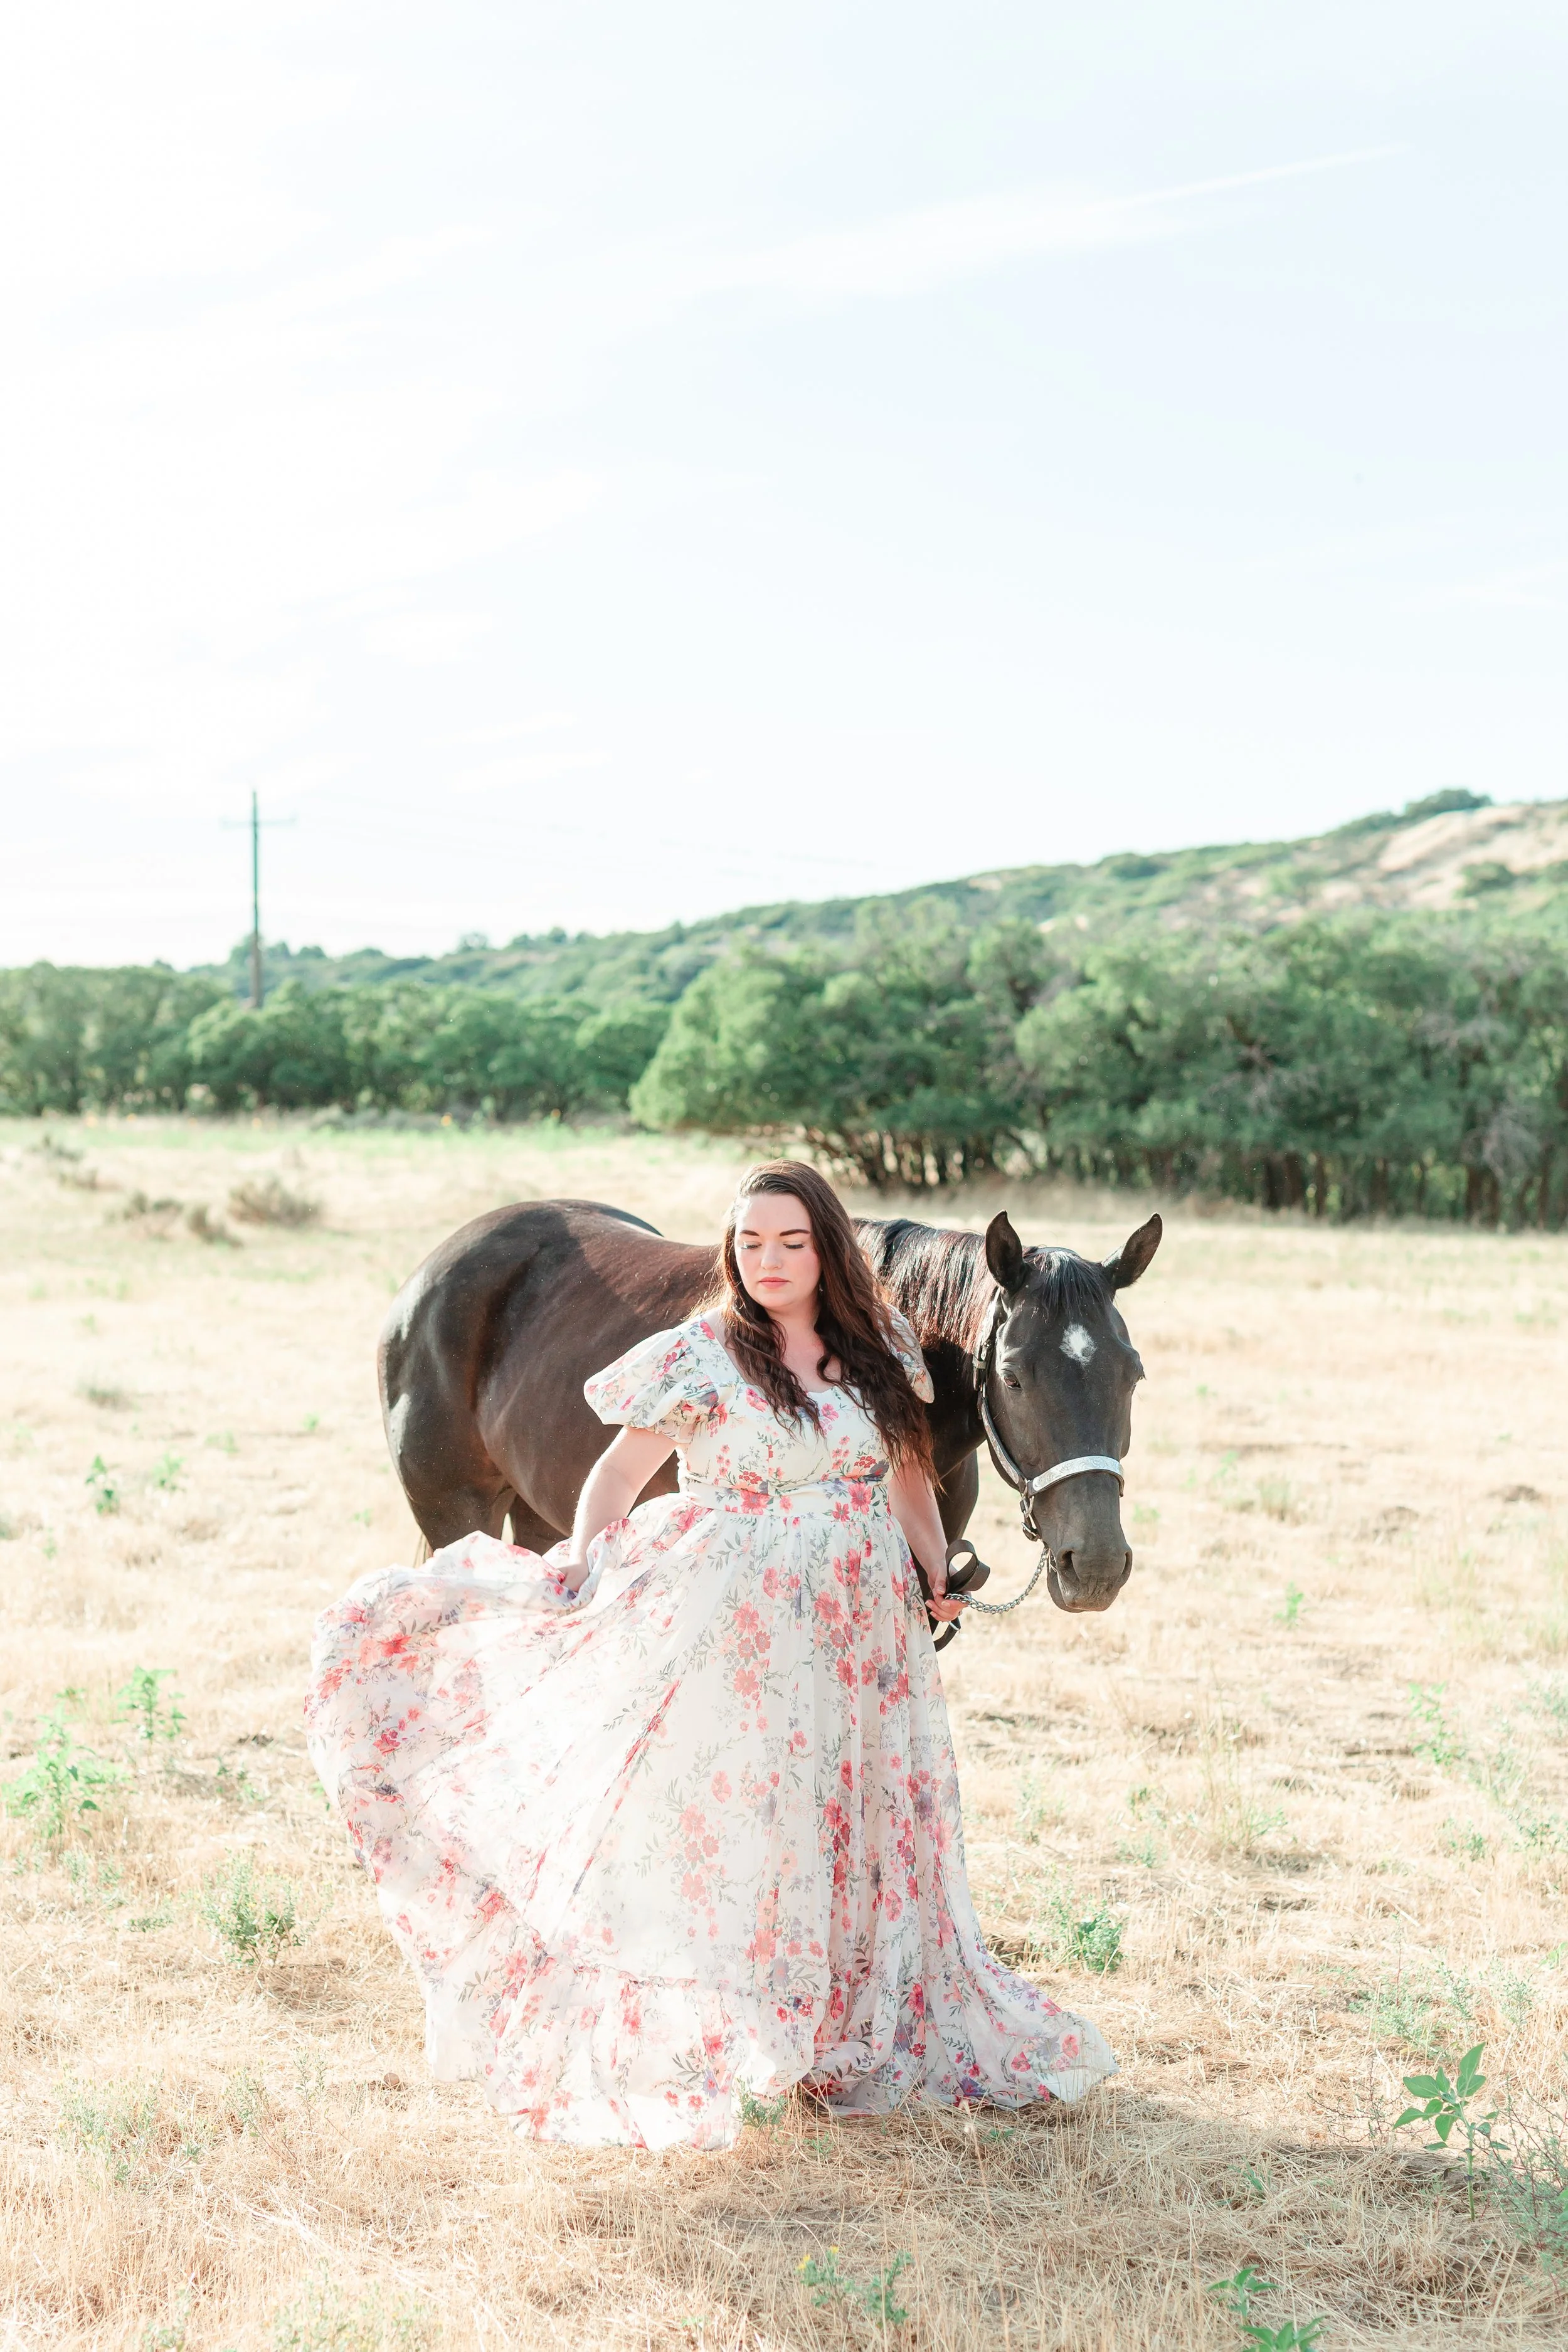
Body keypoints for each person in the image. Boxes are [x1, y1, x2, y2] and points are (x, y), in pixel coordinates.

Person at [306, 1160, 1115, 2148]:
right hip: (743, 1629)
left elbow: (907, 1477)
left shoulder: (882, 1351)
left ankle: (849, 2024)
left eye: (791, 1242)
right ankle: (744, 2020)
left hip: (864, 1632)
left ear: (828, 1250)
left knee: (850, 1814)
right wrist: (583, 1568)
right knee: (744, 1818)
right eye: (749, 1242)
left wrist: (935, 1566)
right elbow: (613, 1477)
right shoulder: (703, 1352)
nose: (768, 1261)